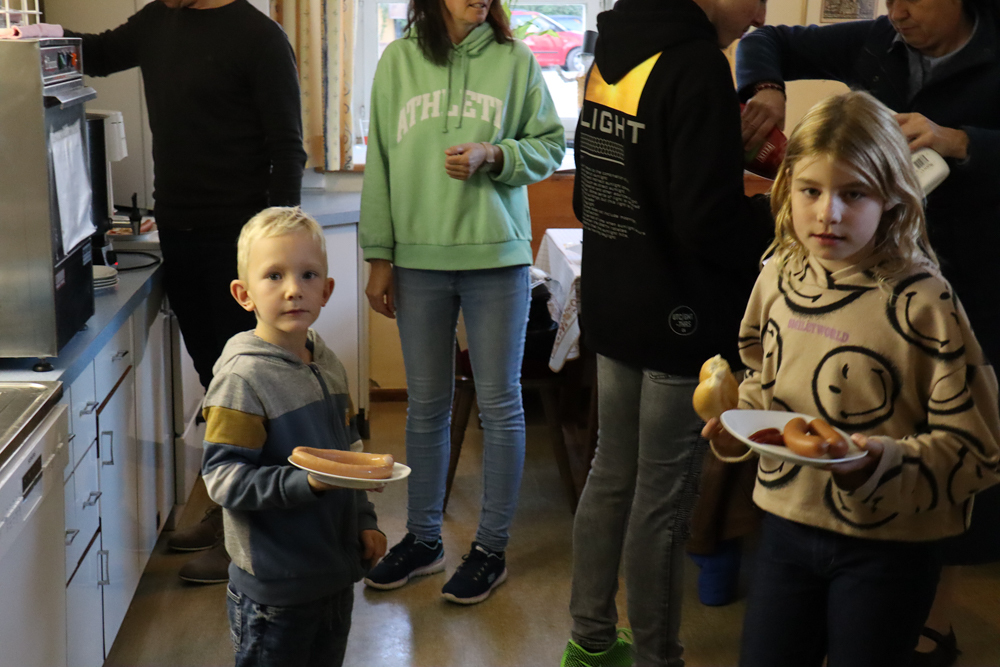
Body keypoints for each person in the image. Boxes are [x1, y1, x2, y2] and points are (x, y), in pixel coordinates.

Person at [735, 2, 1000, 661]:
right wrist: (738, 415)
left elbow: (973, 448)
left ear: (891, 197)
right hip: (787, 520)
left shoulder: (927, 304)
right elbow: (762, 375)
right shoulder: (779, 276)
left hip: (889, 540)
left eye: (853, 194)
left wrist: (876, 461)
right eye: (810, 191)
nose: (827, 214)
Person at [62, 0, 308, 583]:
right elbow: (94, 53)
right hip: (181, 233)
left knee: (250, 392)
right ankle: (232, 515)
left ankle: (252, 537)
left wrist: (274, 257)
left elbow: (288, 150)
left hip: (240, 245)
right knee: (218, 386)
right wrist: (28, 36)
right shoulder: (157, 20)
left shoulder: (259, 37)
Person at [560, 0, 774, 663]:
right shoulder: (697, 63)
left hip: (615, 298)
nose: (759, 14)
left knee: (610, 474)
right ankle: (658, 656)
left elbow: (588, 193)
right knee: (663, 496)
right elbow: (707, 220)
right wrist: (776, 213)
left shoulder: (612, 50)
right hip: (680, 313)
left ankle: (590, 644)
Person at [358, 0, 565, 605]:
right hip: (417, 259)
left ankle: (490, 550)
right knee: (426, 406)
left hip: (497, 258)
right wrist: (379, 256)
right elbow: (381, 163)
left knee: (501, 405)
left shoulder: (516, 60)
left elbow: (550, 146)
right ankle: (424, 540)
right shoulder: (398, 61)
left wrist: (495, 155)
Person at [201, 207, 386, 667]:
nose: (293, 289)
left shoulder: (329, 363)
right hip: (275, 595)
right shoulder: (242, 380)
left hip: (333, 578)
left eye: (308, 275)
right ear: (244, 294)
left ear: (327, 290)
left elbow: (350, 454)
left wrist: (364, 520)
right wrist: (307, 482)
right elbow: (222, 480)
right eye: (274, 276)